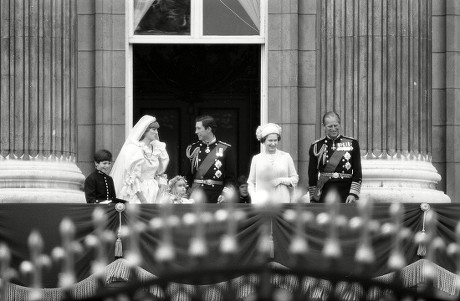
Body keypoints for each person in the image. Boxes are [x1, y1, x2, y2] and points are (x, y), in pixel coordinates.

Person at [110, 115, 169, 204]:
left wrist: (160, 190)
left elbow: (159, 173)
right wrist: (143, 201)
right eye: (153, 129)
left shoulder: (158, 148)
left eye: (157, 130)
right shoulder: (135, 149)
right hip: (138, 192)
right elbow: (132, 179)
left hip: (154, 190)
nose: (156, 133)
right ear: (145, 131)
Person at [308, 111, 362, 203]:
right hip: (324, 190)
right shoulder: (316, 146)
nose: (333, 129)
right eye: (330, 126)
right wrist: (314, 197)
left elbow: (357, 171)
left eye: (335, 125)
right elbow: (312, 174)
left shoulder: (352, 143)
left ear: (339, 124)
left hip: (346, 190)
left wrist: (352, 193)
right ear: (324, 126)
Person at [185, 115, 236, 203]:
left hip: (217, 196)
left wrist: (224, 194)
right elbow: (187, 175)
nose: (196, 132)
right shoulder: (193, 148)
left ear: (208, 129)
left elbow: (231, 178)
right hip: (196, 195)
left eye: (198, 128)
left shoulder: (225, 149)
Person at [247, 123, 299, 203]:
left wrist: (280, 180)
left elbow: (295, 179)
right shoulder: (256, 159)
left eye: (275, 140)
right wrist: (254, 198)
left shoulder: (286, 157)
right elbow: (251, 182)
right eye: (270, 140)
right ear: (263, 141)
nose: (273, 143)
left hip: (283, 201)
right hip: (263, 203)